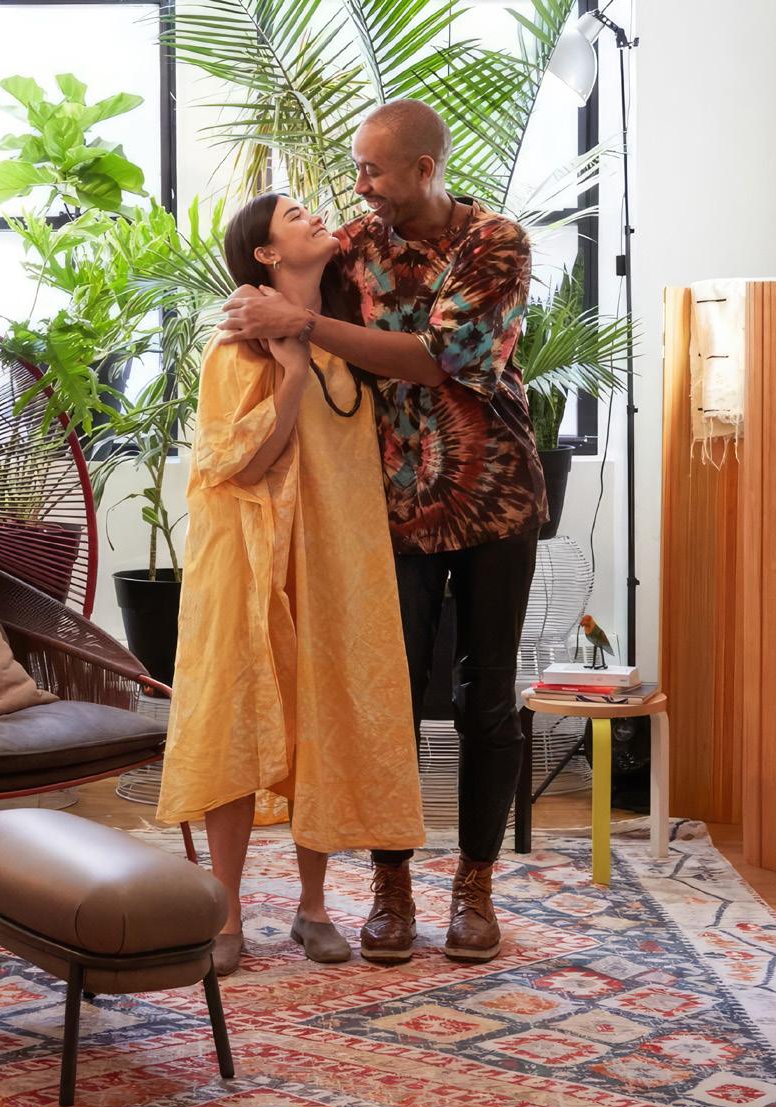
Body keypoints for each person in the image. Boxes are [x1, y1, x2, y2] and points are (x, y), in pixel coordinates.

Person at [219, 100, 545, 964]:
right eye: (357, 169)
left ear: (424, 169)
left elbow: (439, 361)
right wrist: (252, 314)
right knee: (383, 696)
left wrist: (298, 324)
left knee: (484, 697)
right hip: (387, 508)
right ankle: (389, 886)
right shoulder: (358, 243)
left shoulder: (497, 244)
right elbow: (281, 282)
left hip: (493, 498)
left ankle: (474, 887)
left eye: (372, 170)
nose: (358, 185)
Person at [156, 193, 426, 977]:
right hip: (246, 564)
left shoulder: (346, 342)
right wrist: (292, 369)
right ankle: (225, 913)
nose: (314, 216)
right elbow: (241, 463)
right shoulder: (236, 348)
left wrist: (308, 350)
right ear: (266, 254)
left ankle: (313, 907)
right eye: (294, 214)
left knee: (322, 721)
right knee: (233, 724)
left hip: (334, 564)